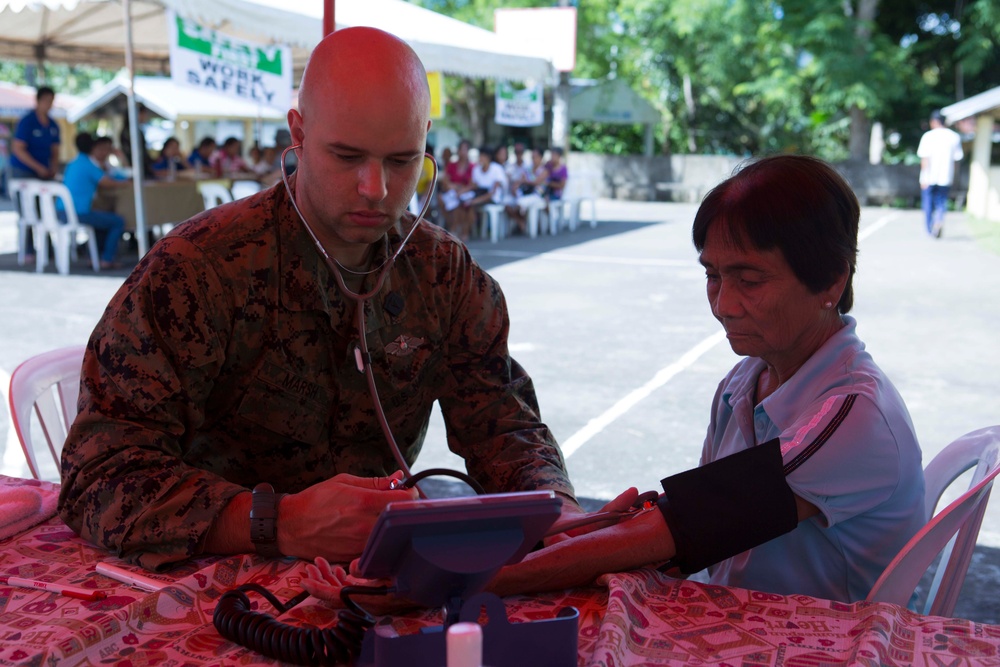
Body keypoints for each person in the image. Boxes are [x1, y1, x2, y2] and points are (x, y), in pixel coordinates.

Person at [59, 26, 580, 571]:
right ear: (299, 134)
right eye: (346, 156)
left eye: (402, 160)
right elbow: (98, 475)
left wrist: (556, 508)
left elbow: (503, 421)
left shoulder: (442, 273)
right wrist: (275, 521)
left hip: (370, 579)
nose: (375, 188)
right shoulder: (197, 270)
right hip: (211, 576)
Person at [476, 155, 925, 603]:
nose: (723, 304)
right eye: (712, 275)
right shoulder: (743, 383)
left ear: (830, 281)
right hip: (747, 618)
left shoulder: (853, 414)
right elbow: (694, 529)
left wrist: (480, 581)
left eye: (749, 280)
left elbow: (686, 526)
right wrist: (596, 536)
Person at [59, 133, 128, 270]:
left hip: (61, 210)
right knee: (117, 221)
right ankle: (107, 259)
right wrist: (126, 183)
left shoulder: (73, 163)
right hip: (78, 212)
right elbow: (107, 182)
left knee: (102, 220)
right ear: (93, 147)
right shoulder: (88, 165)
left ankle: (94, 257)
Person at [10, 86, 60, 260]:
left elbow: (55, 150)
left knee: (45, 209)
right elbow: (18, 149)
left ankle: (48, 248)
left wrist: (52, 167)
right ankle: (29, 250)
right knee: (27, 211)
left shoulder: (52, 124)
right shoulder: (27, 121)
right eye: (46, 100)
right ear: (38, 101)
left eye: (51, 100)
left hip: (44, 173)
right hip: (23, 171)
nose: (49, 104)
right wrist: (39, 168)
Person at [917, 110, 963, 239]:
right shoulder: (954, 137)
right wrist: (953, 177)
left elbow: (924, 159)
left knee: (928, 204)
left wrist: (924, 177)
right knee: (941, 203)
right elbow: (956, 160)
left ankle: (929, 229)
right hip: (945, 177)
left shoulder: (928, 136)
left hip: (929, 177)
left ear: (934, 122)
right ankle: (938, 221)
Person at [120, 103, 155, 179]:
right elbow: (134, 154)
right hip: (137, 170)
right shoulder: (129, 132)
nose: (145, 117)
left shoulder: (136, 130)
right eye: (143, 114)